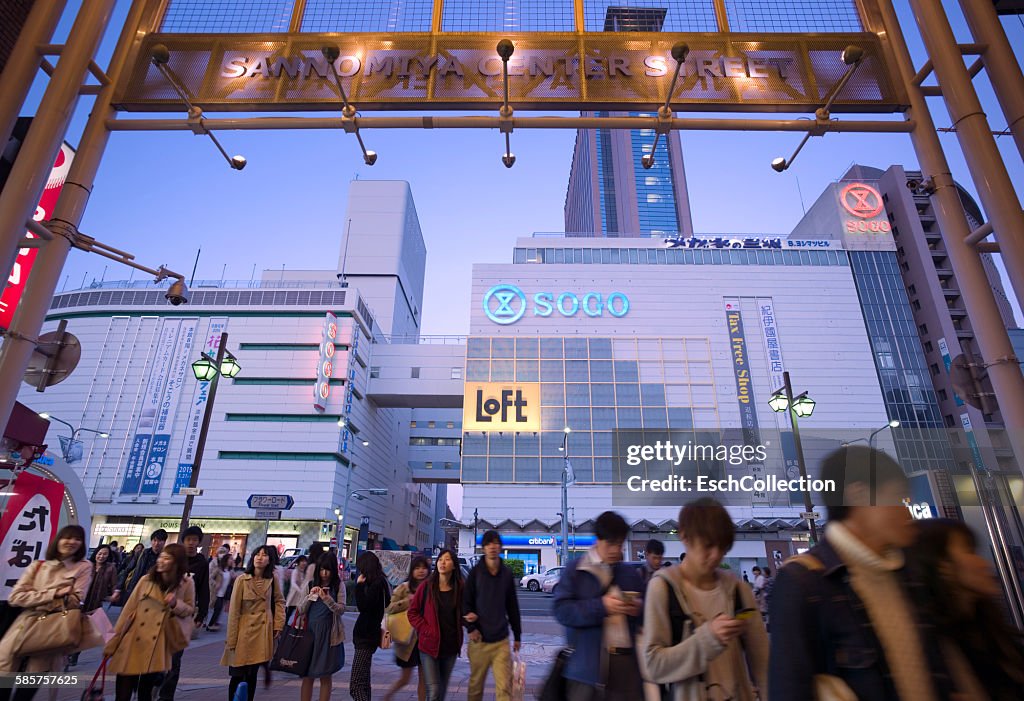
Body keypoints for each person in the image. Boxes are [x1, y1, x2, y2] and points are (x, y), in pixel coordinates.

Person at [769, 446, 954, 701]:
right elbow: (789, 689)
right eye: (899, 498)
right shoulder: (805, 582)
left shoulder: (909, 572)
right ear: (858, 494)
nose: (908, 512)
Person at [641, 498, 768, 701]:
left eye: (723, 547)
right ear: (685, 537)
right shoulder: (663, 587)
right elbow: (654, 666)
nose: (716, 555)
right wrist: (708, 639)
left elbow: (764, 666)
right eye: (708, 546)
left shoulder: (739, 591)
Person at [906, 518, 1024, 701]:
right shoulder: (940, 648)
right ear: (942, 566)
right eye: (970, 551)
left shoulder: (988, 626)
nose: (986, 564)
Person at [553, 511, 645, 701]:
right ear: (597, 540)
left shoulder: (629, 574)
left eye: (619, 544)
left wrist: (638, 609)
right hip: (585, 669)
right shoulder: (576, 570)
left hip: (626, 668)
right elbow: (562, 611)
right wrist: (602, 606)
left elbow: (649, 615)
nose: (615, 550)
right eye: (610, 543)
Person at [0, 525, 92, 701]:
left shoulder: (84, 567)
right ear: (58, 540)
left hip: (52, 630)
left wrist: (35, 596)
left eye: (77, 539)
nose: (72, 542)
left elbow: (76, 600)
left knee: (27, 690)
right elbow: (15, 597)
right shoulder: (38, 566)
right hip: (22, 627)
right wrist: (55, 593)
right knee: (4, 681)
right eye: (68, 537)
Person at [104, 543, 195, 701]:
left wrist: (175, 604)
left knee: (145, 692)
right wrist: (112, 641)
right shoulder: (146, 579)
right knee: (123, 692)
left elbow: (189, 609)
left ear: (177, 563)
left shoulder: (186, 583)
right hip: (133, 640)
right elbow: (128, 610)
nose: (160, 561)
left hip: (158, 644)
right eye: (161, 557)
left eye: (166, 558)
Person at [463, 531, 522, 701]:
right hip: (479, 641)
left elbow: (512, 606)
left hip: (501, 642)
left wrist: (517, 635)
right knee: (475, 688)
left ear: (500, 547)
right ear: (484, 548)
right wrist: (471, 628)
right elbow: (465, 604)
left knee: (504, 689)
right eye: (489, 544)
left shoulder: (507, 574)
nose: (493, 547)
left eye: (496, 543)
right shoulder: (475, 573)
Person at [220, 545, 285, 701]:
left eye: (264, 555)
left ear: (270, 560)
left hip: (262, 633)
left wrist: (278, 624)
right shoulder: (242, 580)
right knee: (237, 675)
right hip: (243, 633)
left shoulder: (272, 579)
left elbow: (279, 601)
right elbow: (234, 611)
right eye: (257, 554)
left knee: (252, 675)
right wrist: (232, 639)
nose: (259, 557)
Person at [158, 526, 210, 701]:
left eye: (195, 540)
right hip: (160, 615)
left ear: (199, 542)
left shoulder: (202, 563)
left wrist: (201, 615)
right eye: (189, 539)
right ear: (183, 540)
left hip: (183, 615)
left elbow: (204, 590)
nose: (191, 543)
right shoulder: (174, 559)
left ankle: (166, 696)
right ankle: (153, 688)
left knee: (175, 659)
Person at [408, 549, 463, 701]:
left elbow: (465, 612)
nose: (442, 563)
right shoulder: (426, 587)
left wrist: (470, 619)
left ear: (454, 565)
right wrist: (426, 629)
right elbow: (412, 613)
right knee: (433, 691)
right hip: (428, 646)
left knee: (441, 692)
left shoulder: (460, 588)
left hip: (450, 646)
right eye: (440, 559)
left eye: (447, 560)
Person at [296, 553, 346, 701]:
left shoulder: (338, 585)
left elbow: (341, 610)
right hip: (310, 635)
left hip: (329, 635)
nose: (324, 574)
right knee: (307, 675)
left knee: (325, 674)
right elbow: (300, 609)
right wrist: (309, 597)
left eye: (328, 570)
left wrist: (327, 599)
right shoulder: (311, 584)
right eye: (322, 570)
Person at [384, 555, 430, 701]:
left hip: (426, 639)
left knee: (424, 679)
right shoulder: (403, 588)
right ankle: (386, 697)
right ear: (412, 571)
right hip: (407, 640)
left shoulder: (431, 588)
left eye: (424, 568)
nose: (421, 571)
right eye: (417, 568)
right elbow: (389, 609)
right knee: (405, 678)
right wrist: (407, 601)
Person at [68, 543, 119, 667]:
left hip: (95, 604)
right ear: (96, 553)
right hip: (80, 602)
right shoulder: (87, 566)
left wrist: (115, 593)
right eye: (100, 553)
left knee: (85, 630)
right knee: (74, 628)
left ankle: (74, 655)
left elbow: (114, 585)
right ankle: (69, 653)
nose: (101, 556)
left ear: (108, 556)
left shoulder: (110, 568)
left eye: (105, 554)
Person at [350, 551, 391, 701]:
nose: (360, 572)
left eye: (361, 568)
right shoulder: (380, 583)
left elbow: (364, 606)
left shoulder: (376, 584)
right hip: (368, 637)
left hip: (366, 638)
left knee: (356, 686)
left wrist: (359, 586)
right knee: (364, 683)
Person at [119, 529, 168, 603]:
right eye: (154, 540)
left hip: (154, 592)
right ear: (151, 541)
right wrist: (118, 588)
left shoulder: (166, 557)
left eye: (160, 541)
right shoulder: (141, 554)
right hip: (136, 588)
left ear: (164, 542)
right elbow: (127, 570)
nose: (156, 543)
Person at [208, 553, 230, 631]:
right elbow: (210, 578)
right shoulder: (218, 569)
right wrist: (215, 584)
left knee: (218, 610)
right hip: (217, 593)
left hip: (223, 594)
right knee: (216, 609)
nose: (232, 561)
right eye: (230, 559)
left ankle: (212, 624)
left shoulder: (229, 571)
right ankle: (210, 625)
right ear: (226, 560)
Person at [285, 555, 309, 622]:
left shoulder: (305, 572)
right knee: (289, 613)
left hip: (302, 597)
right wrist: (301, 591)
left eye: (305, 561)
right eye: (302, 561)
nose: (304, 563)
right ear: (298, 562)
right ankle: (285, 628)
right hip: (294, 596)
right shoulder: (296, 571)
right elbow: (293, 583)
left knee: (300, 614)